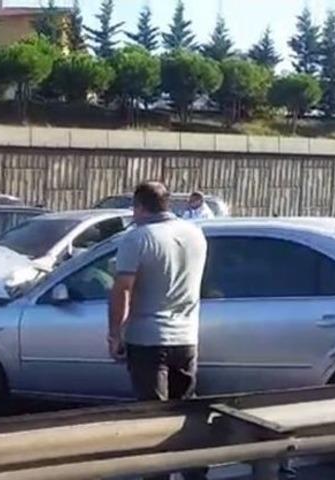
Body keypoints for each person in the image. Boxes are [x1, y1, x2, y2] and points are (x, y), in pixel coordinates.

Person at [107, 181, 208, 480]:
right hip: (187, 337)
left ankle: (157, 476)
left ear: (139, 206)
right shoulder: (195, 233)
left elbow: (122, 289)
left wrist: (115, 335)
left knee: (152, 417)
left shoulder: (137, 238)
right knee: (184, 413)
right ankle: (195, 472)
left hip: (148, 339)